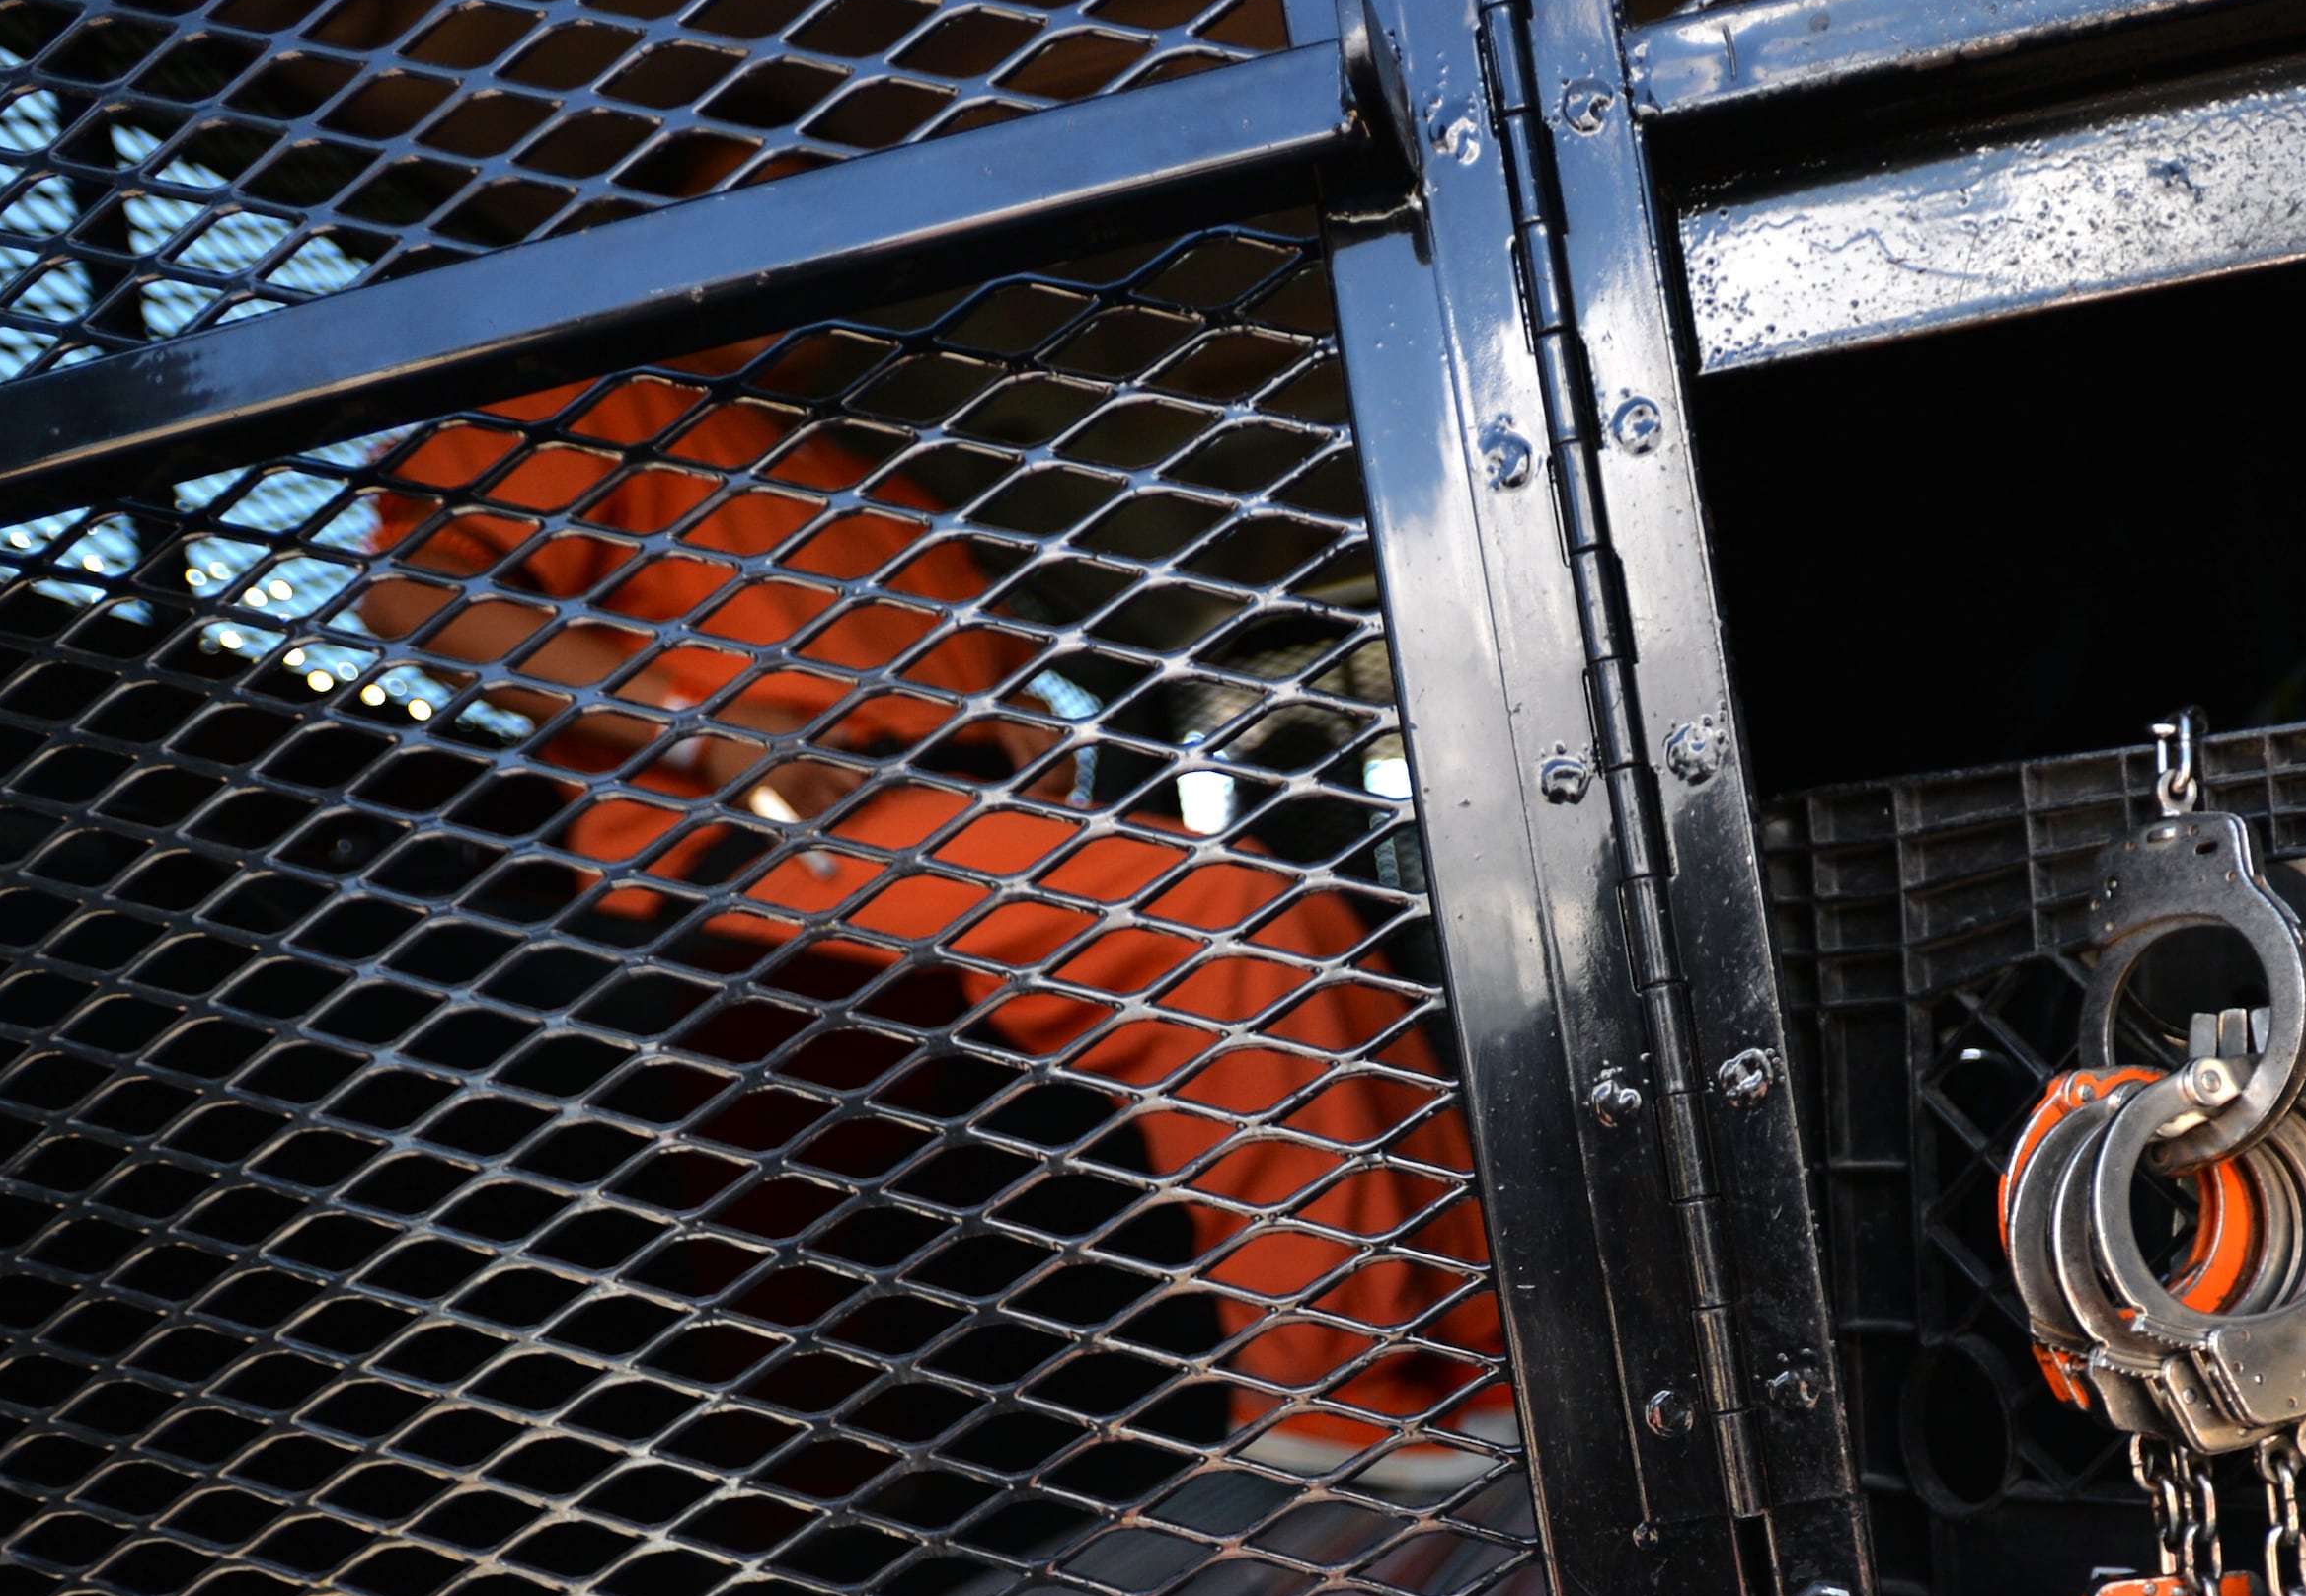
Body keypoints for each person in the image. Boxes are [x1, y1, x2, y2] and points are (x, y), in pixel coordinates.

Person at [353, 357, 1508, 1481]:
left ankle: (1473, 1358)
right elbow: (417, 592)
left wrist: (1016, 722)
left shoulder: (869, 469)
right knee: (1213, 904)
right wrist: (693, 723)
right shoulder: (592, 395)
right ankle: (1333, 1387)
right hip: (762, 835)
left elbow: (983, 671)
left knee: (1288, 895)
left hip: (952, 813)